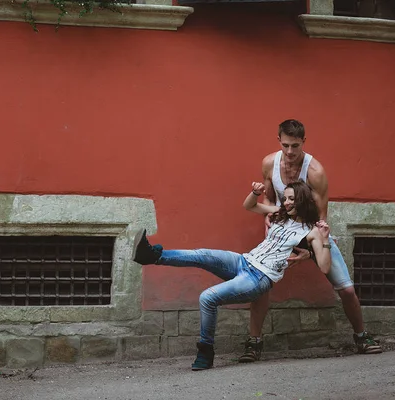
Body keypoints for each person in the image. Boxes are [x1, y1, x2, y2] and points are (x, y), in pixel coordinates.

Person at [132, 181, 332, 371]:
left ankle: (206, 351)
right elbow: (250, 206)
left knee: (207, 297)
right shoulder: (281, 213)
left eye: (291, 199)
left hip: (259, 277)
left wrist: (325, 240)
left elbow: (324, 267)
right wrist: (255, 192)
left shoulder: (312, 231)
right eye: (285, 198)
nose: (287, 203)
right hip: (243, 261)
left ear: (303, 200)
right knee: (201, 255)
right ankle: (152, 256)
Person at [238, 119, 382, 364]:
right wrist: (268, 218)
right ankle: (254, 343)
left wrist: (309, 251)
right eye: (285, 145)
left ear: (304, 142)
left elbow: (320, 218)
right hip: (282, 230)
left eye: (295, 145)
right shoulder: (269, 163)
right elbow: (271, 200)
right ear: (278, 141)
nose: (290, 152)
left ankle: (362, 337)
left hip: (311, 231)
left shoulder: (315, 171)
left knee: (346, 289)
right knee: (261, 281)